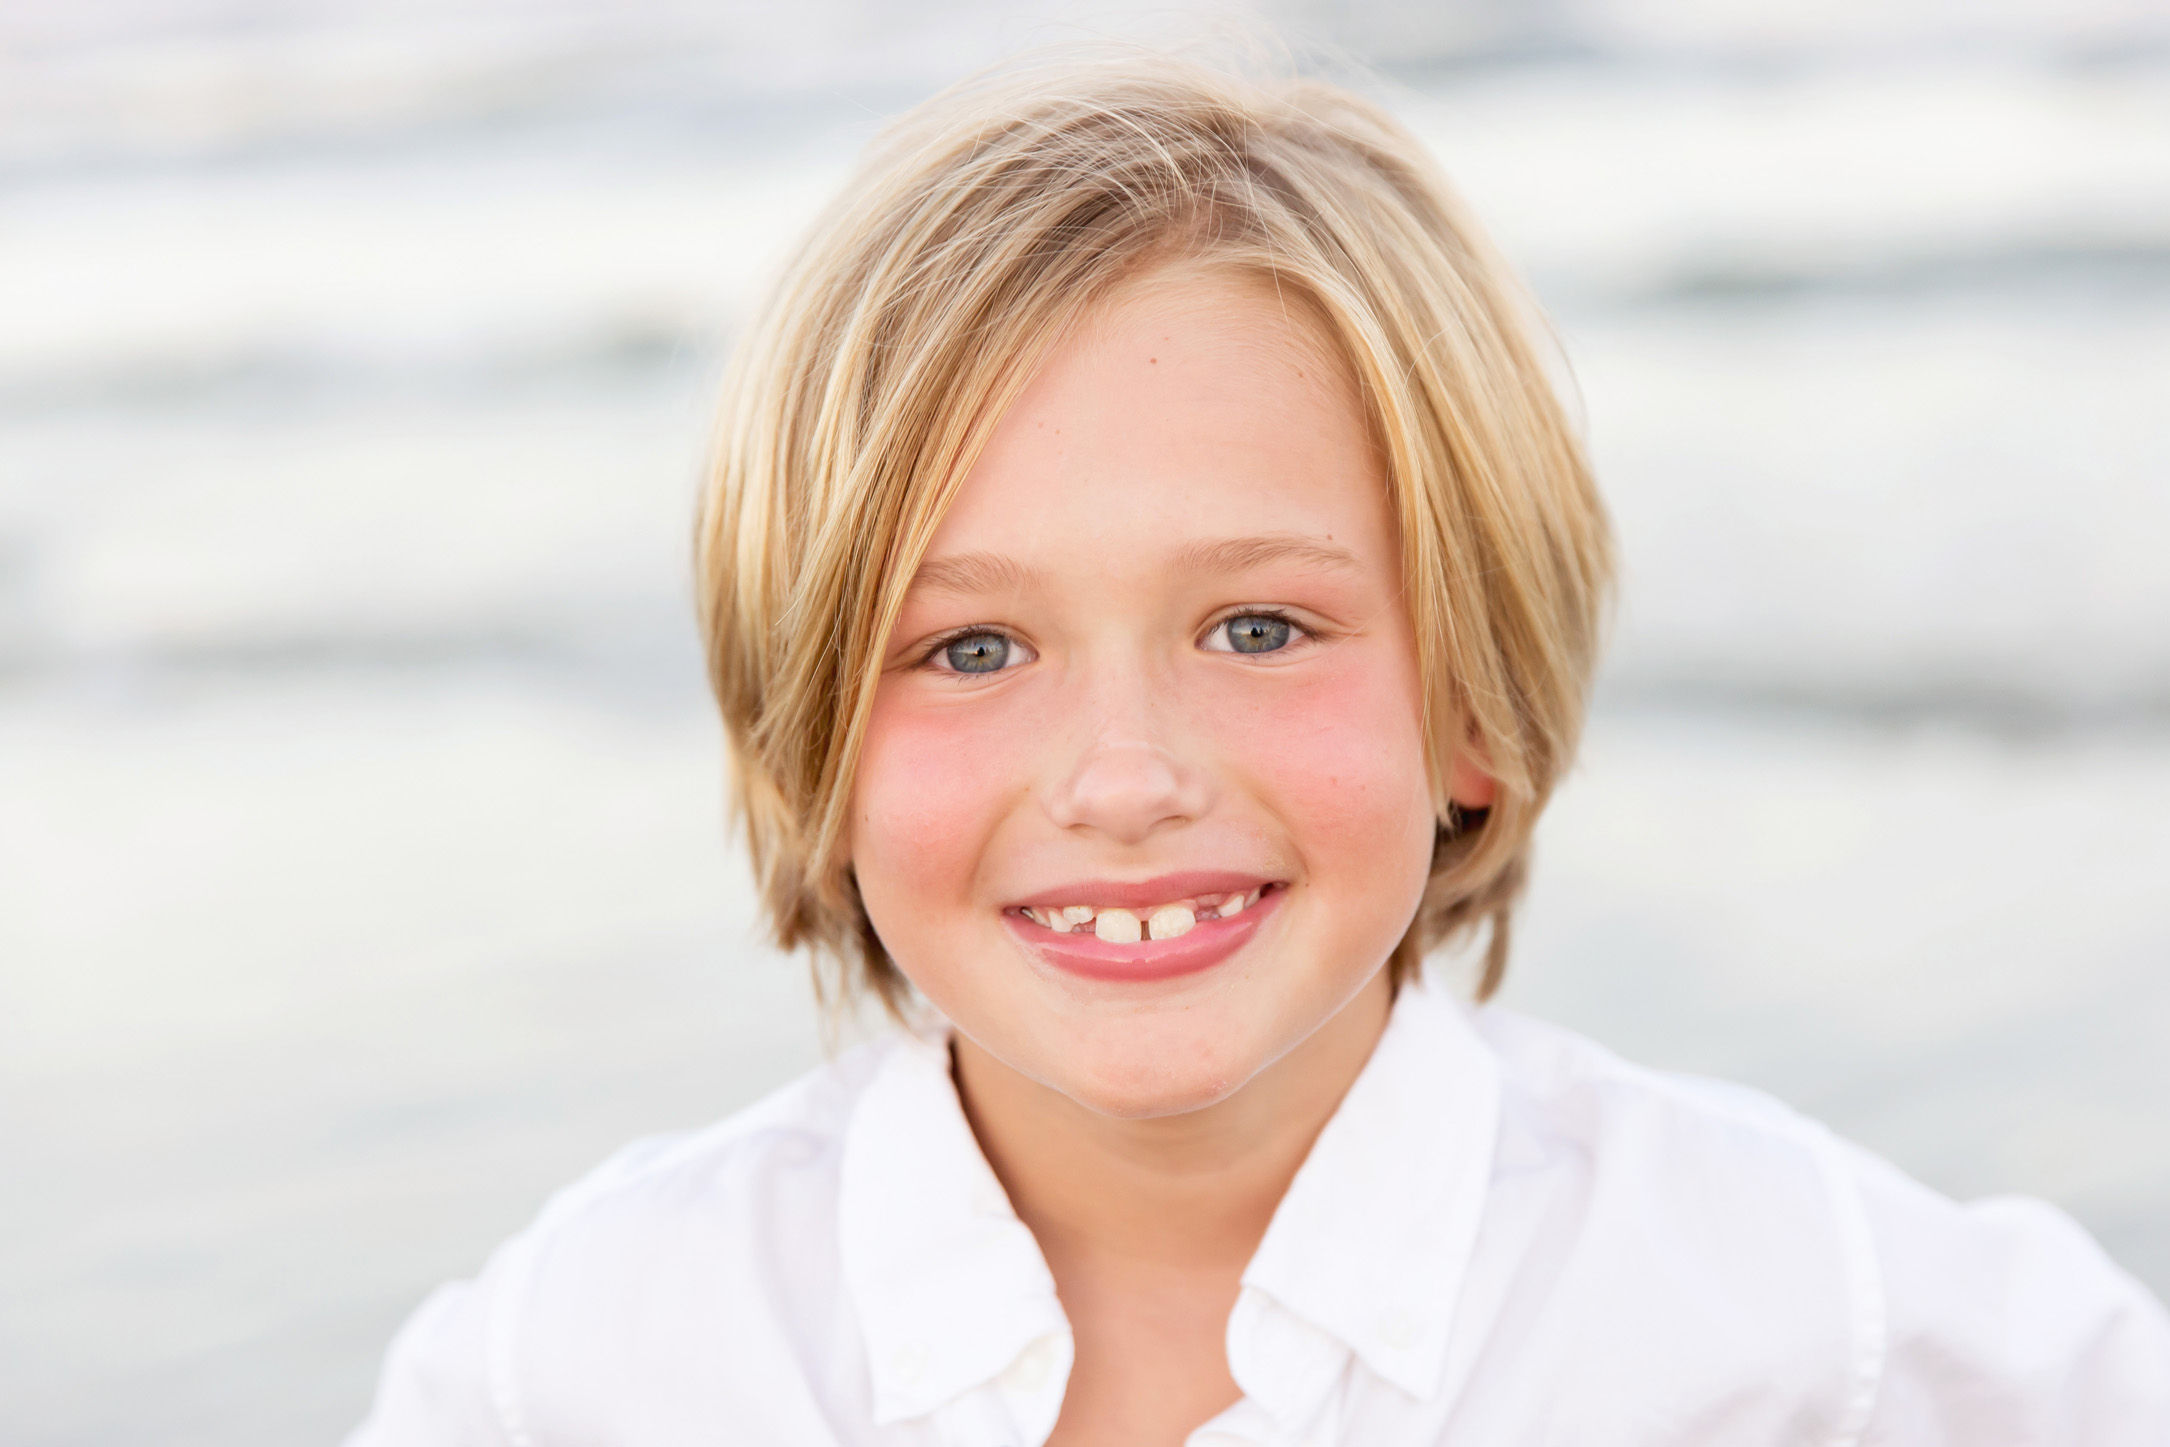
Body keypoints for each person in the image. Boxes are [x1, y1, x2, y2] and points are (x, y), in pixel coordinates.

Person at [347, 45, 2170, 1447]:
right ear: (810, 745)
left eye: (1258, 628)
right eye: (971, 647)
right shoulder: (588, 1356)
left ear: (1469, 703)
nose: (1125, 776)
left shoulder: (1813, 1307)